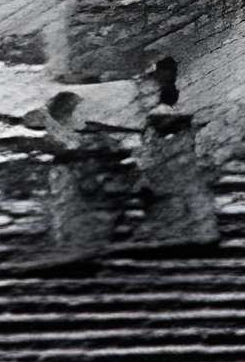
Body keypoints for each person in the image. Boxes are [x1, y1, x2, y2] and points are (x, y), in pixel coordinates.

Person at [14, 87, 115, 276]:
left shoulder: (79, 129)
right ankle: (75, 251)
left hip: (74, 176)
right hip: (69, 174)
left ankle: (78, 253)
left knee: (71, 212)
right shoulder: (60, 125)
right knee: (66, 212)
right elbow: (32, 121)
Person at [128, 55, 220, 255]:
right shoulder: (158, 99)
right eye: (167, 71)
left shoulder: (162, 101)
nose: (169, 75)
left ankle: (178, 232)